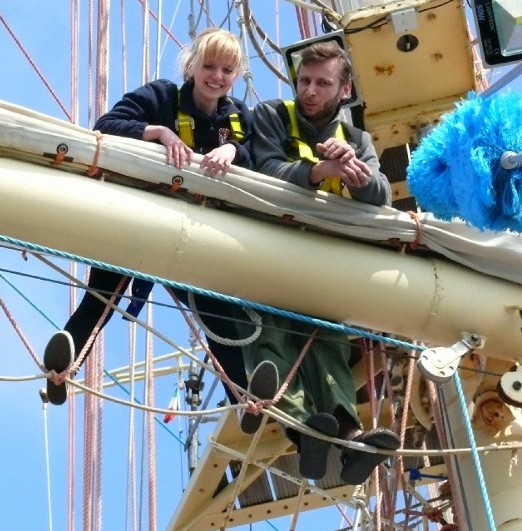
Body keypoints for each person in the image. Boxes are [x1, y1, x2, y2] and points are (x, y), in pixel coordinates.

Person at [43, 28, 256, 407]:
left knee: (216, 316)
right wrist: (157, 132)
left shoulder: (236, 118)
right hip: (143, 216)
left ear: (236, 74)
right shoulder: (161, 96)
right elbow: (106, 125)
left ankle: (245, 400)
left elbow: (259, 161)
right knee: (101, 297)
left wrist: (232, 152)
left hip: (195, 231)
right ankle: (61, 371)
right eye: (208, 66)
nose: (216, 77)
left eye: (227, 69)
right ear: (191, 66)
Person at [241, 40, 399, 485]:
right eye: (305, 82)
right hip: (274, 247)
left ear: (344, 90)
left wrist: (359, 174)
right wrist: (319, 172)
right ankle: (299, 426)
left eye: (322, 83)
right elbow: (266, 169)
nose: (310, 91)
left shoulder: (358, 140)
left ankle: (350, 437)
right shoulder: (273, 115)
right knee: (271, 336)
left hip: (326, 257)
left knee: (328, 343)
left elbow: (381, 197)